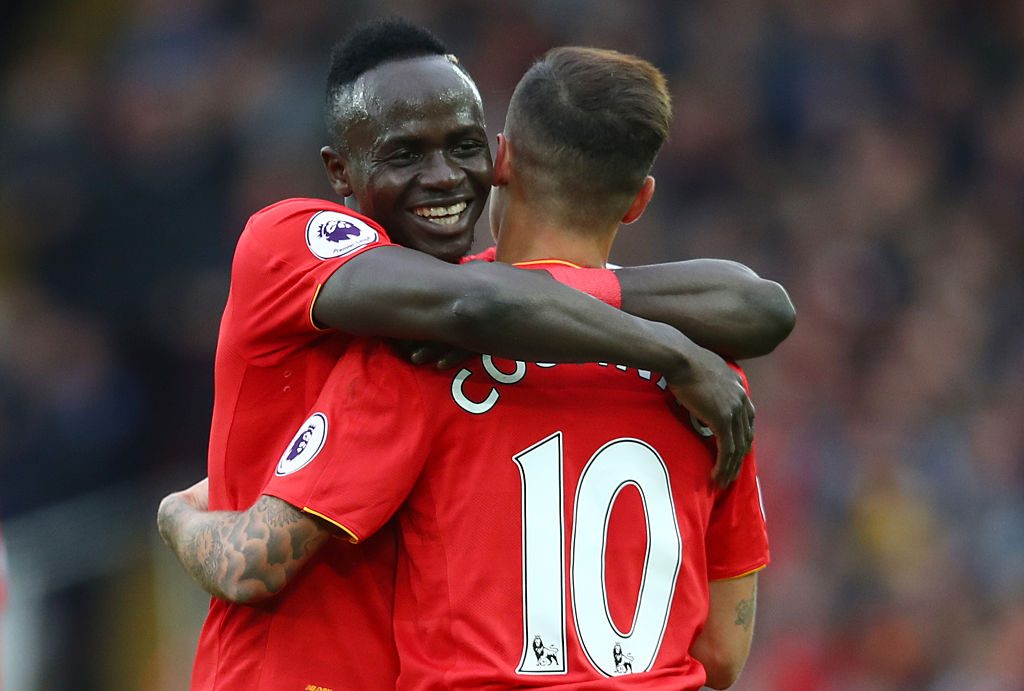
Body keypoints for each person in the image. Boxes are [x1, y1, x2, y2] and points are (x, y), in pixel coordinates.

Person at [162, 43, 775, 689]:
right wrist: (673, 352)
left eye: (463, 147)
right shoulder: (718, 387)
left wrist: (179, 510)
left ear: (500, 157)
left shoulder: (425, 355)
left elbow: (249, 562)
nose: (444, 176)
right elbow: (724, 654)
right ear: (339, 170)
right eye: (405, 154)